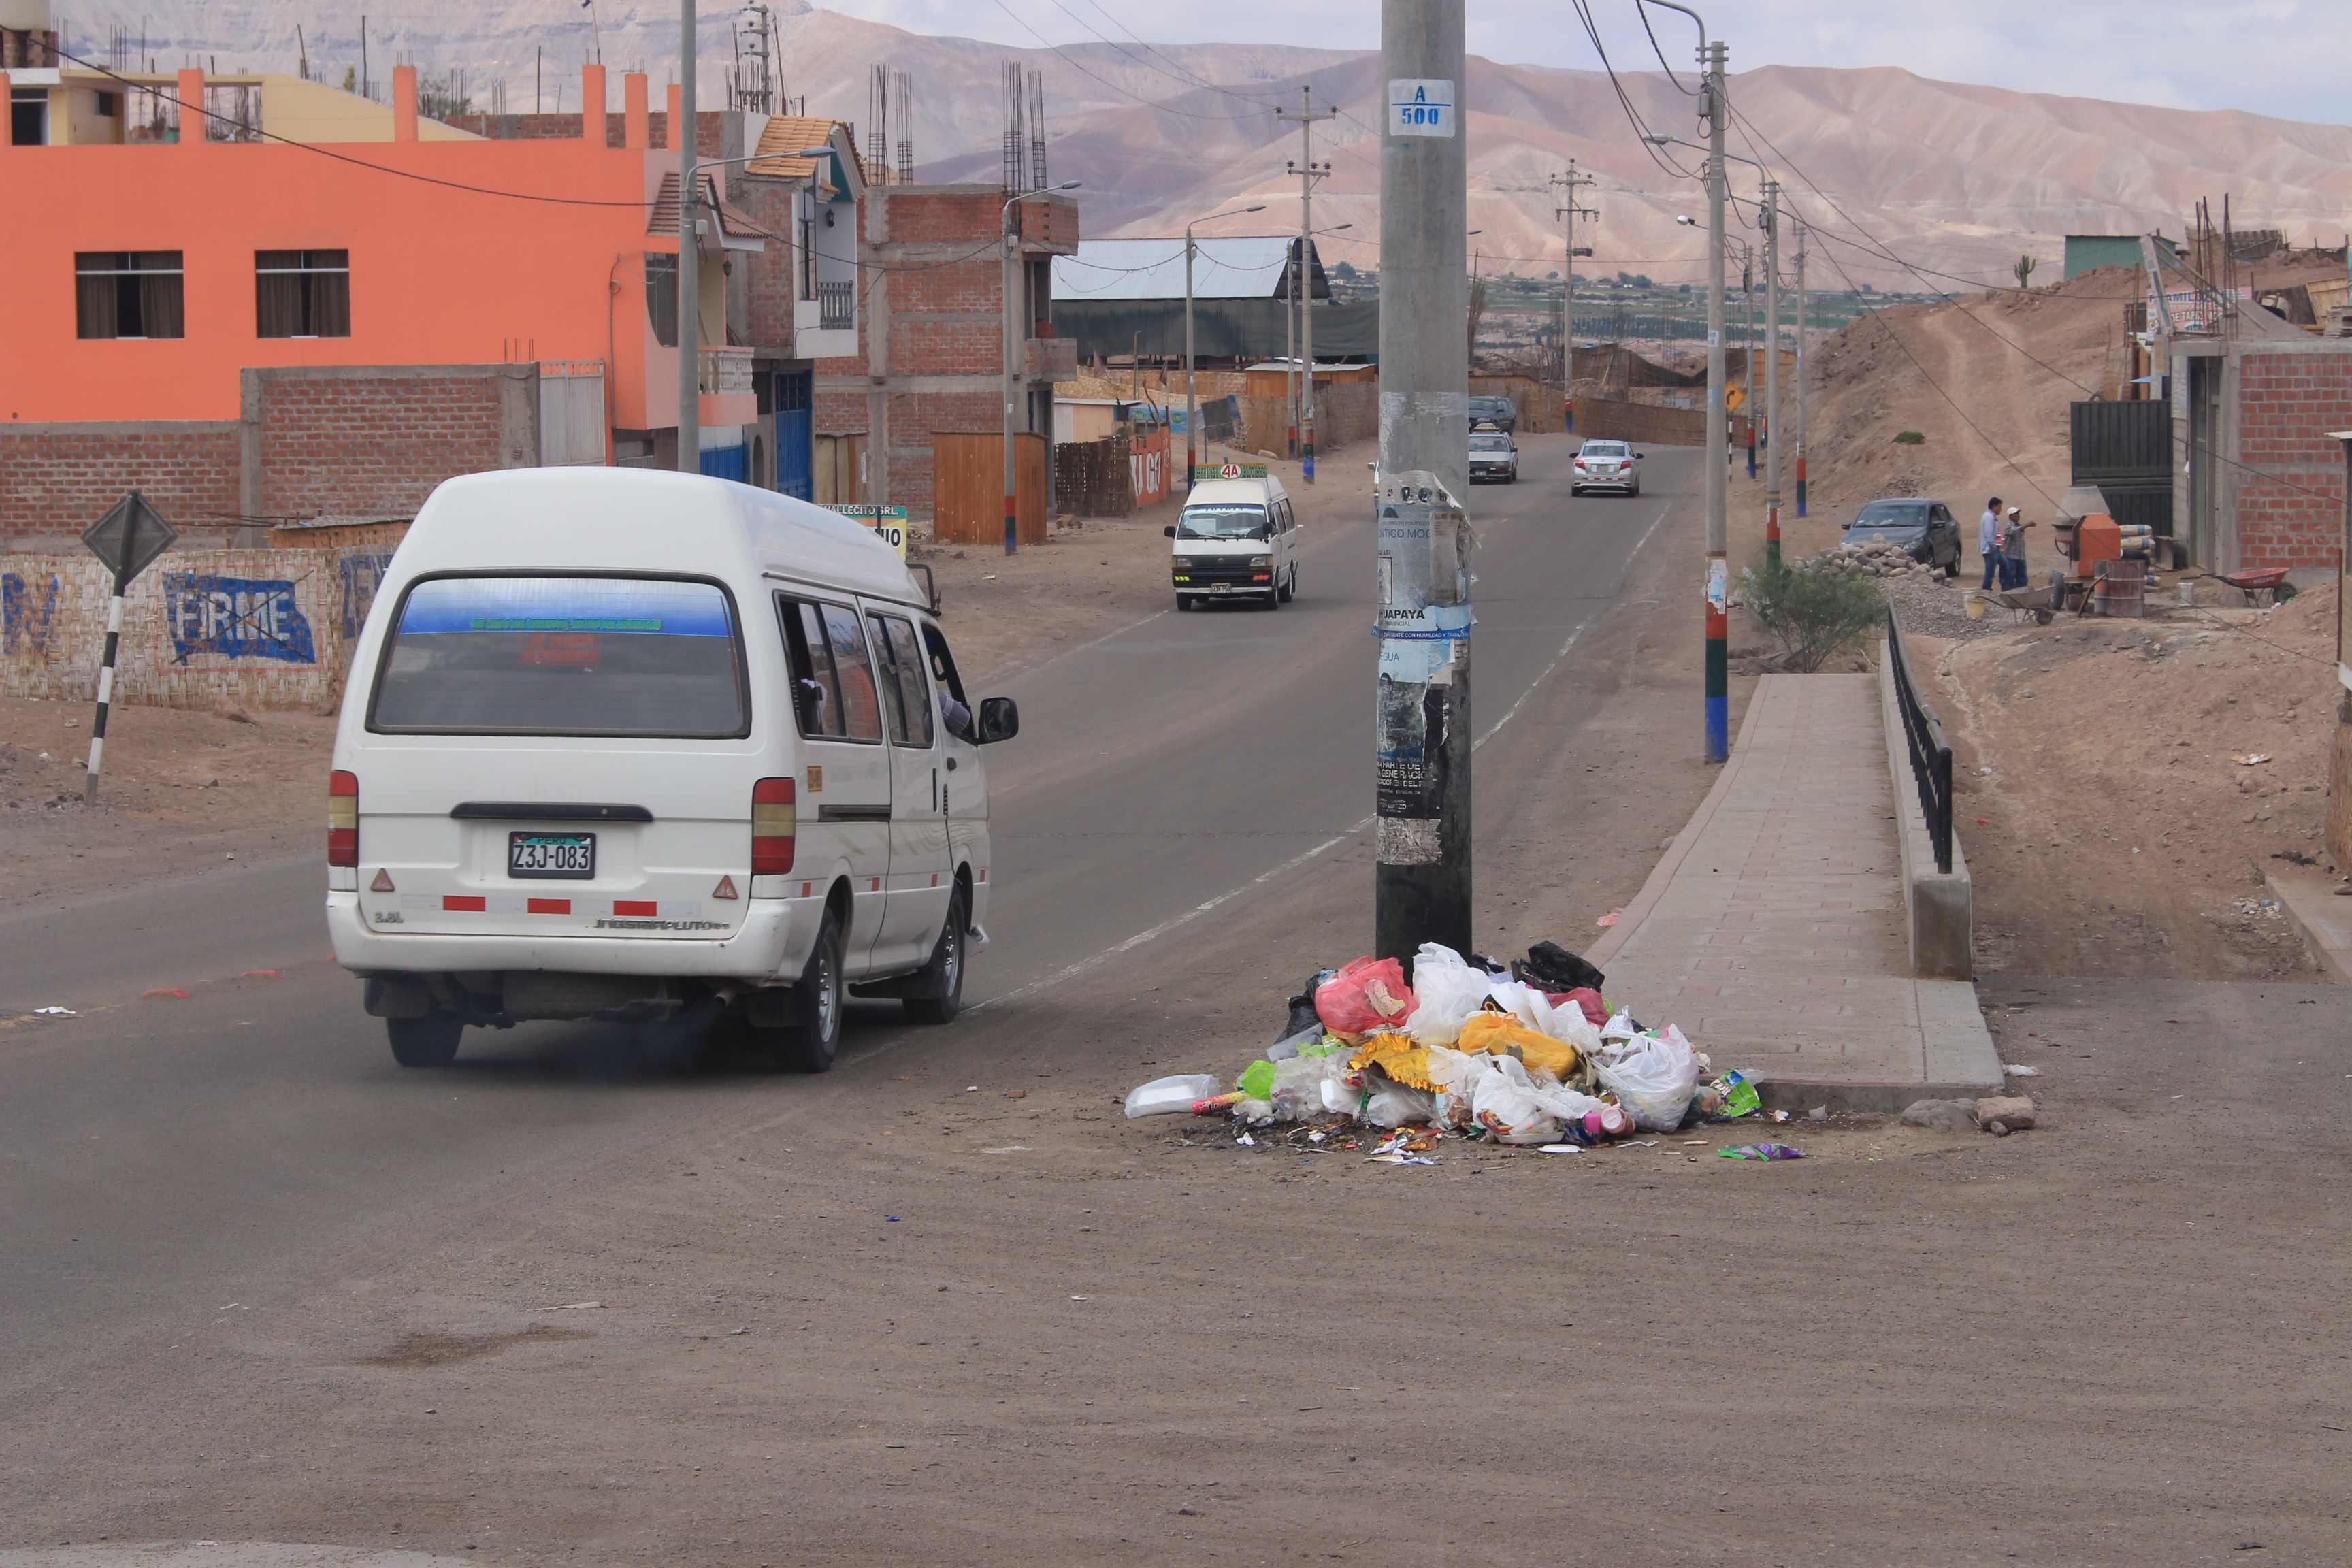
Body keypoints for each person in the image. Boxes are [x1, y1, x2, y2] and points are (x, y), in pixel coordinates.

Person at [2000, 506, 2035, 590]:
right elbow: (2012, 531)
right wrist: (2026, 526)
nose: (2018, 515)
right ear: (2010, 517)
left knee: (2022, 579)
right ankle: (2008, 594)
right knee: (2010, 578)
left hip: (2020, 557)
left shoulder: (2019, 526)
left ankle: (2021, 594)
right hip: (2010, 557)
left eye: (2018, 513)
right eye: (2015, 514)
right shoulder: (2009, 525)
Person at [1978, 496, 2004, 591]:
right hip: (1990, 549)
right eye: (2000, 507)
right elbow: (1989, 535)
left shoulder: (1990, 516)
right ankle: (1986, 588)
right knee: (1990, 570)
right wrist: (1994, 547)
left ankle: (2003, 586)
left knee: (2003, 564)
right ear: (1994, 506)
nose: (2001, 509)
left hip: (1992, 548)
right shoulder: (1989, 517)